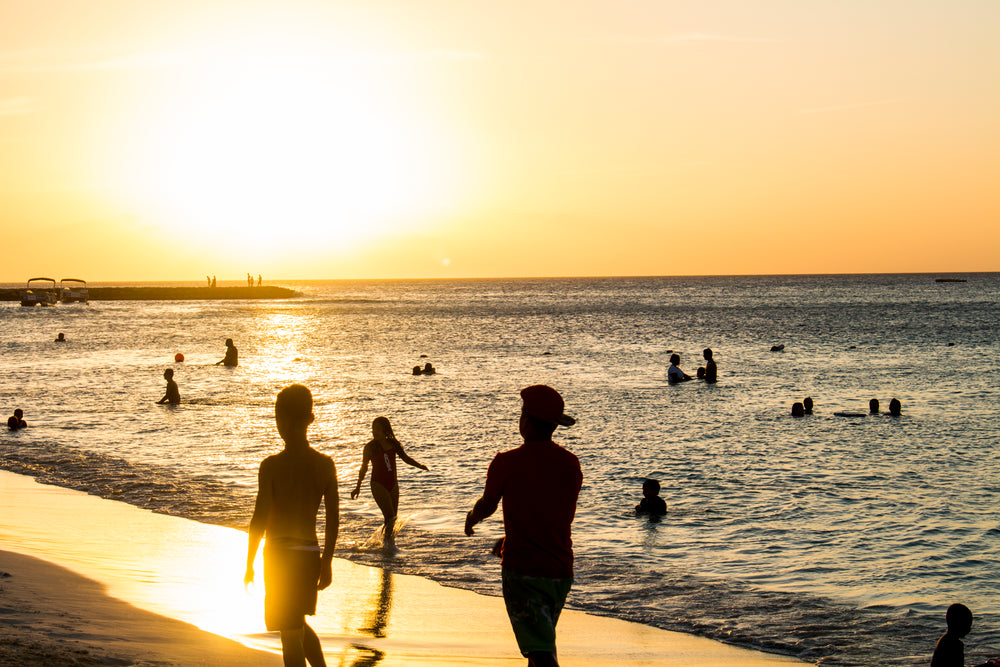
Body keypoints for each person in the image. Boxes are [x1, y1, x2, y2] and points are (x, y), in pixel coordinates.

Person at [464, 385, 582, 667]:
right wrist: (508, 538)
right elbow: (551, 513)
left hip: (523, 571)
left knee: (540, 651)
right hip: (560, 571)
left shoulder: (506, 462)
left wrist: (472, 517)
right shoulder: (570, 463)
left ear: (526, 420)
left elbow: (489, 504)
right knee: (542, 643)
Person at [245, 384, 338, 667]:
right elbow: (333, 519)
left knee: (289, 633)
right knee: (295, 622)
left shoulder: (271, 466)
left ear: (281, 420)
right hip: (309, 555)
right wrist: (327, 561)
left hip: (279, 557)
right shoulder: (325, 464)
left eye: (277, 417)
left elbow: (259, 519)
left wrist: (249, 562)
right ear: (310, 418)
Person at [350, 417, 428, 545]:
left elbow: (406, 458)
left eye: (377, 429)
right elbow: (364, 468)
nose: (374, 431)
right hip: (378, 484)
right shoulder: (370, 447)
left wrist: (419, 466)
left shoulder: (393, 444)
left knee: (392, 519)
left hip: (393, 485)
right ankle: (387, 546)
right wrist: (358, 487)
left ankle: (387, 546)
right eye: (373, 429)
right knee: (390, 517)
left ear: (385, 430)